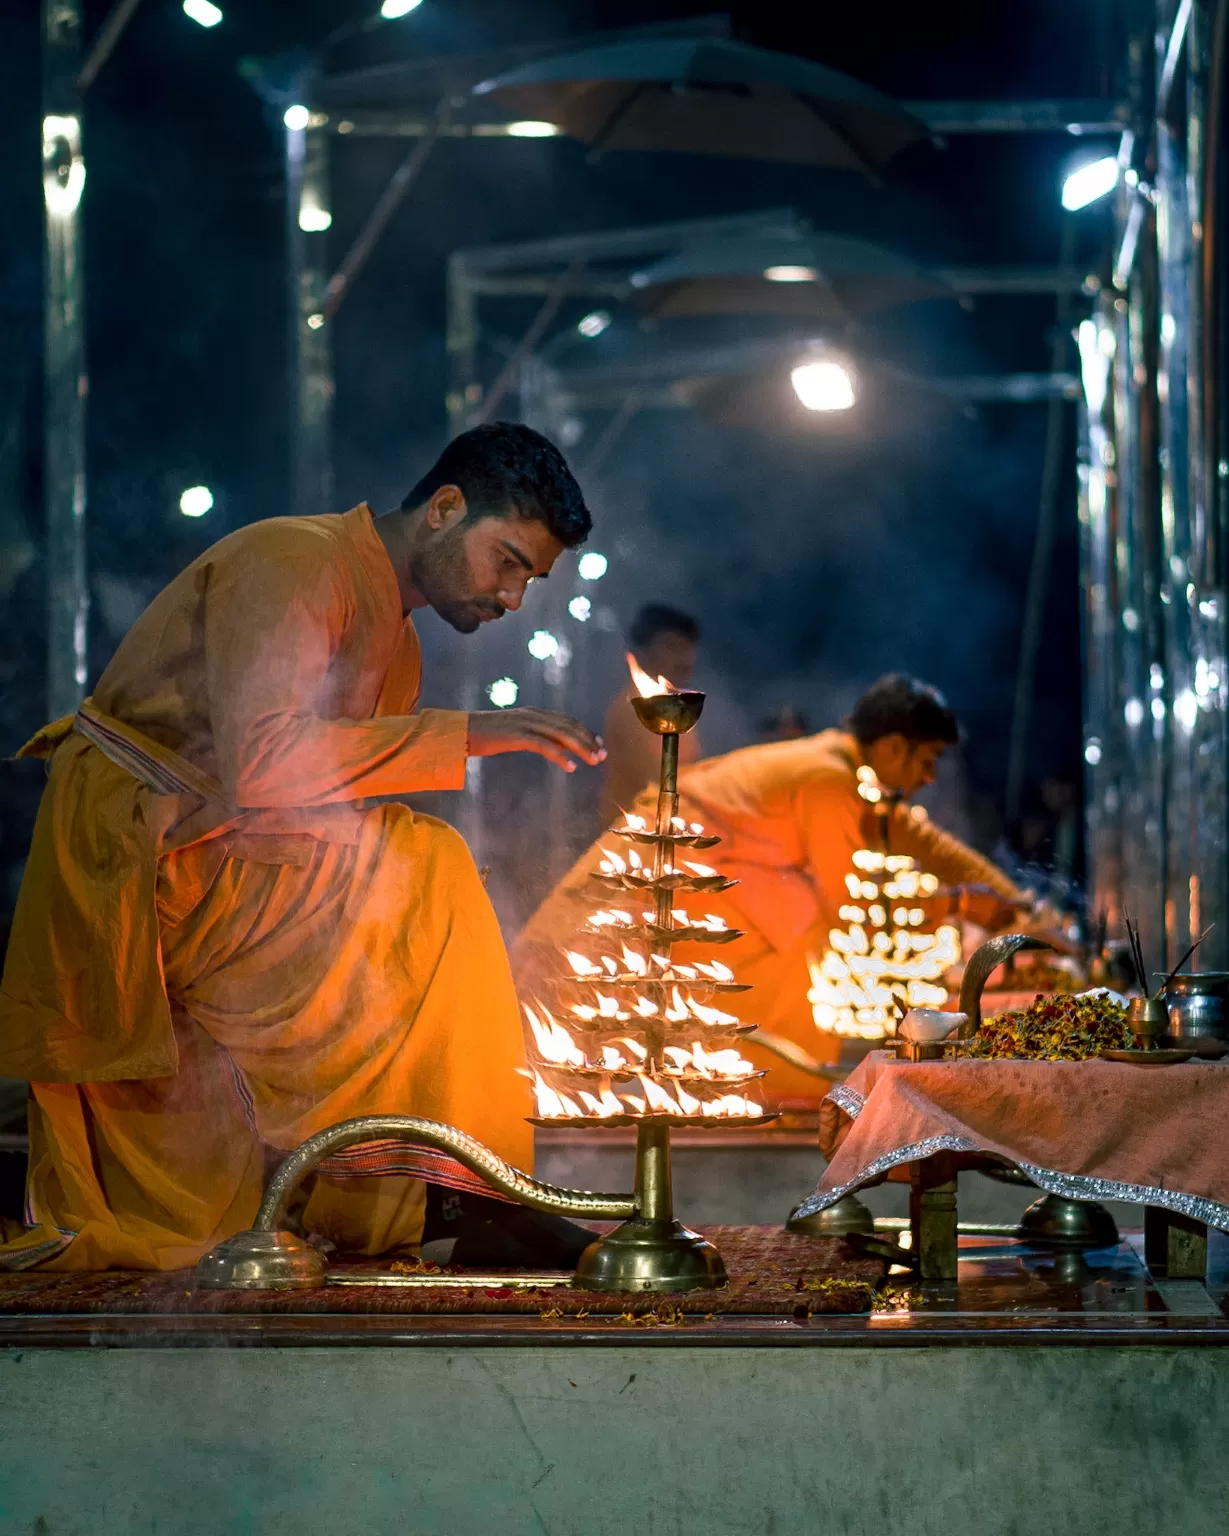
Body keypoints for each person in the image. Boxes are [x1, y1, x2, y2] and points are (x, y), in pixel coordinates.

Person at [0, 423, 608, 1272]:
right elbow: (265, 762)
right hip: (144, 866)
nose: (513, 598)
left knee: (426, 884)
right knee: (423, 871)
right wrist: (467, 735)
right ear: (443, 509)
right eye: (508, 561)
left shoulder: (391, 628)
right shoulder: (296, 562)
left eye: (529, 580)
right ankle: (462, 1192)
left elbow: (317, 798)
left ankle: (449, 1182)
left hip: (229, 864)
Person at [513, 674, 1029, 1103]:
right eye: (927, 760)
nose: (930, 777)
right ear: (894, 745)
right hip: (655, 878)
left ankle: (781, 1113)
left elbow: (920, 839)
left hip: (697, 882)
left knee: (782, 968)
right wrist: (960, 904)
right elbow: (848, 906)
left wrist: (1021, 906)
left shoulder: (836, 768)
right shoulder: (828, 779)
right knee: (566, 1014)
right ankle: (780, 1122)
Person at [599, 604, 702, 828]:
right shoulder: (638, 709)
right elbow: (660, 782)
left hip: (668, 829)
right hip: (634, 838)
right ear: (642, 652)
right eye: (671, 647)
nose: (684, 659)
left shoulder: (680, 708)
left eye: (688, 648)